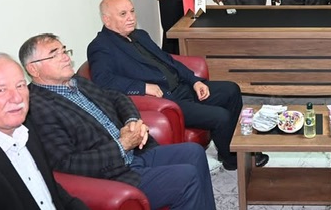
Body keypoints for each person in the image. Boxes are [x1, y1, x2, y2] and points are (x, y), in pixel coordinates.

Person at [19, 34, 217, 210]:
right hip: (111, 174)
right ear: (33, 68)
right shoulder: (37, 107)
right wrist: (121, 146)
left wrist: (132, 120)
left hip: (135, 153)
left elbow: (117, 97)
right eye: (54, 54)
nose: (65, 57)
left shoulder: (77, 83)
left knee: (194, 152)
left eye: (64, 51)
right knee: (186, 177)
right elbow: (67, 163)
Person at [87, 0, 268, 171]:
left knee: (231, 89)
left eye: (132, 11)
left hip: (182, 87)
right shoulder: (100, 46)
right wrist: (143, 87)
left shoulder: (140, 35)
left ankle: (230, 148)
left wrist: (195, 81)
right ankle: (232, 160)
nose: (131, 17)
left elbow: (169, 61)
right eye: (123, 14)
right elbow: (103, 81)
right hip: (166, 100)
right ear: (106, 20)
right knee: (221, 116)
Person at [0, 52, 88, 210]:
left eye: (20, 86)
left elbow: (52, 191)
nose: (17, 98)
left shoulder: (27, 128)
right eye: (1, 90)